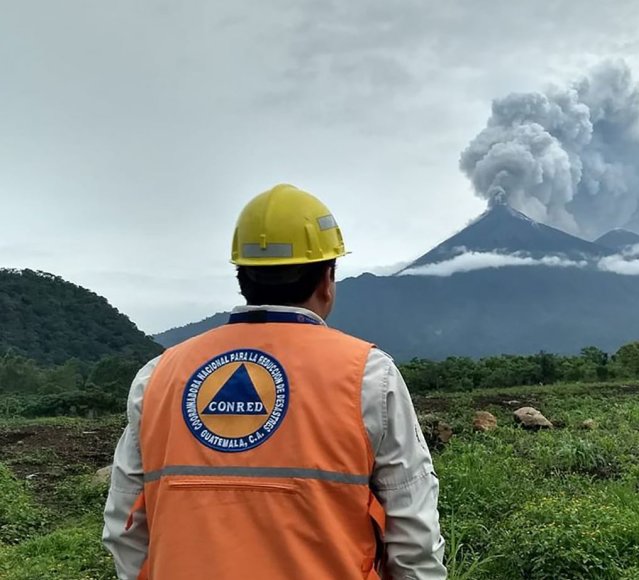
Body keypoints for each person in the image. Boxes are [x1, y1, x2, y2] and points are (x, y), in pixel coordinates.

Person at [102, 184, 447, 579]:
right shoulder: (367, 374)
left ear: (241, 276)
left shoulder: (159, 375)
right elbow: (414, 536)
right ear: (328, 279)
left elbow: (125, 528)